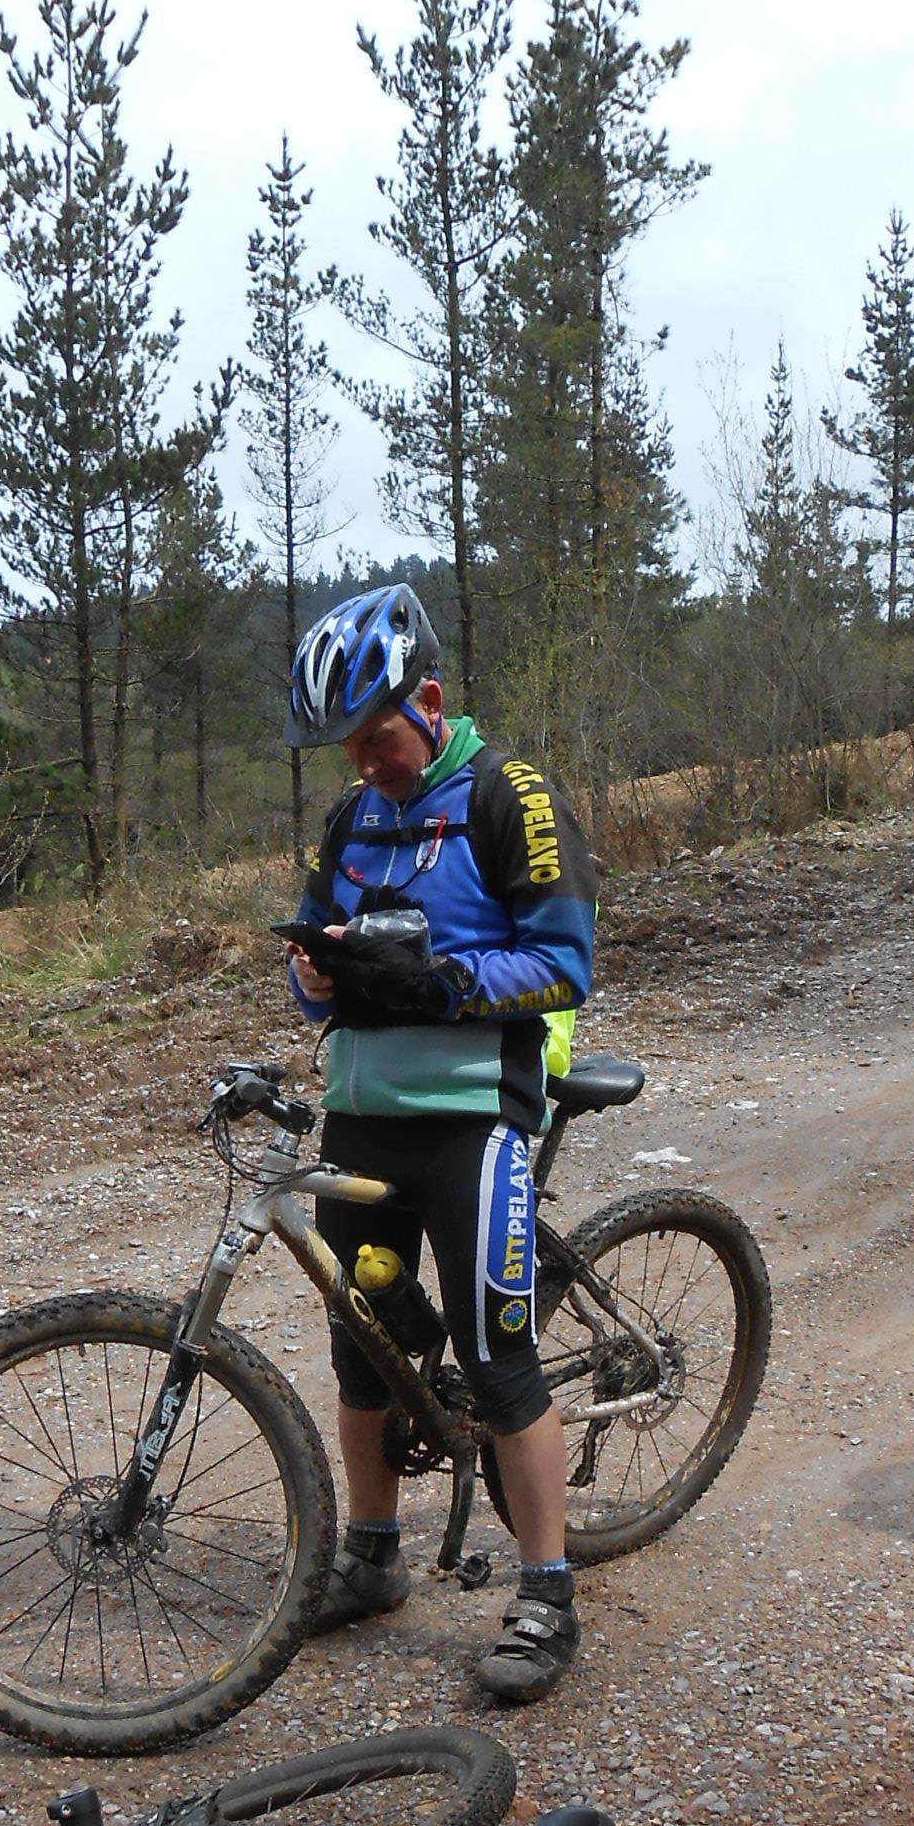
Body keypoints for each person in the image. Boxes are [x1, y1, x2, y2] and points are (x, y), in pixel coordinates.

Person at [279, 583, 597, 1701]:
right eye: (348, 747)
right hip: (362, 1116)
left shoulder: (511, 795)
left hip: (475, 1119)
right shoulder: (351, 819)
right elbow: (310, 966)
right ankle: (374, 1556)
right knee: (360, 1348)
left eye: (378, 736)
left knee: (497, 1359)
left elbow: (563, 964)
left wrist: (441, 981)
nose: (366, 763)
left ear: (431, 700)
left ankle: (547, 1591)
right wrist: (317, 978)